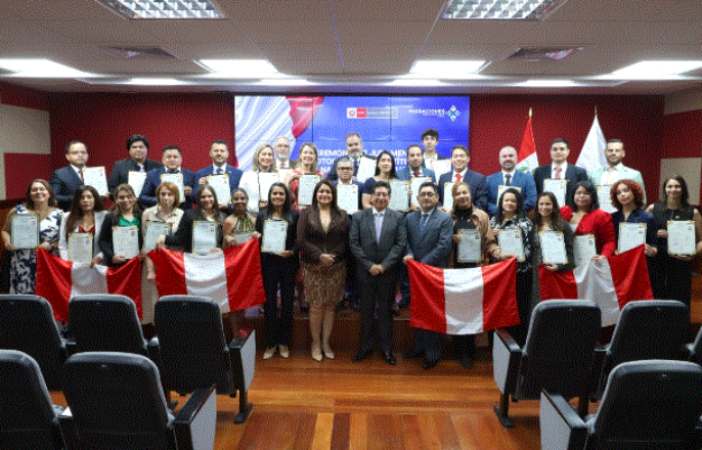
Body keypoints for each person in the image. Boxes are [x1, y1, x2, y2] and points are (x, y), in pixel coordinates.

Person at [350, 181, 406, 365]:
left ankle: (387, 349)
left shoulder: (398, 217)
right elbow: (354, 244)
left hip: (387, 273)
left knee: (385, 312)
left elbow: (400, 244)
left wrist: (383, 266)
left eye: (385, 194)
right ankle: (364, 347)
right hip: (365, 272)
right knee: (366, 311)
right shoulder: (358, 216)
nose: (381, 197)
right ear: (372, 197)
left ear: (389, 197)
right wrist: (369, 265)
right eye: (378, 194)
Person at [296, 180, 349, 362]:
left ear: (333, 195)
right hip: (313, 267)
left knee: (330, 306)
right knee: (316, 306)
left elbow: (346, 240)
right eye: (321, 191)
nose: (324, 194)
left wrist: (332, 256)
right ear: (315, 194)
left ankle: (326, 343)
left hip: (336, 267)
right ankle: (316, 343)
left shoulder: (342, 215)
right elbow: (301, 240)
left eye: (328, 192)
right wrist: (319, 256)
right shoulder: (306, 213)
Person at [403, 182, 453, 369]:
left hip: (433, 274)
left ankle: (433, 352)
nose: (426, 197)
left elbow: (444, 246)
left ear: (437, 198)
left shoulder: (444, 219)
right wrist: (409, 255)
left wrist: (421, 265)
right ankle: (419, 346)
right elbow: (404, 241)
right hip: (413, 274)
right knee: (417, 310)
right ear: (417, 198)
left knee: (431, 312)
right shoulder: (409, 218)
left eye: (430, 194)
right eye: (423, 194)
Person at [449, 182, 498, 368]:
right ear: (454, 197)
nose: (462, 196)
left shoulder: (482, 216)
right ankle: (458, 347)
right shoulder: (448, 217)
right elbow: (442, 242)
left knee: (471, 311)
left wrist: (500, 253)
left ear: (470, 195)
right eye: (458, 193)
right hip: (454, 270)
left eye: (465, 192)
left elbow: (490, 242)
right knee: (457, 310)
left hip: (475, 271)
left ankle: (469, 350)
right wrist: (451, 240)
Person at [255, 183, 298, 360]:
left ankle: (284, 342)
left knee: (287, 303)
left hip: (288, 262)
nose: (278, 196)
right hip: (268, 263)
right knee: (270, 304)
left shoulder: (294, 215)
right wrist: (257, 237)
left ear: (286, 196)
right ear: (270, 196)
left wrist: (292, 251)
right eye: (275, 193)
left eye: (281, 194)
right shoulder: (262, 214)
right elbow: (257, 238)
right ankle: (271, 343)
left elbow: (298, 239)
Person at [646, 175, 702, 306]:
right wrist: (653, 237)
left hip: (680, 262)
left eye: (677, 186)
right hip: (656, 260)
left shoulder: (693, 212)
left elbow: (701, 241)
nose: (673, 189)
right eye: (670, 186)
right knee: (656, 297)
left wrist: (692, 253)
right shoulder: (653, 208)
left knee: (679, 298)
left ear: (683, 189)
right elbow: (642, 233)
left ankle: (678, 320)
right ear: (665, 189)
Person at [1, 179, 63, 294]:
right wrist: (7, 242)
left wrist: (51, 245)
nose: (38, 192)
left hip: (48, 264)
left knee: (47, 297)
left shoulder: (60, 215)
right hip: (22, 265)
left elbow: (64, 239)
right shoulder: (18, 211)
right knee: (23, 300)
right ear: (30, 194)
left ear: (49, 193)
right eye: (34, 190)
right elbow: (5, 230)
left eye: (42, 189)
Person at [490, 188, 534, 345]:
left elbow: (529, 249)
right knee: (499, 308)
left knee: (519, 309)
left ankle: (518, 344)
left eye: (513, 201)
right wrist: (493, 238)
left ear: (518, 204)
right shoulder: (493, 221)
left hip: (520, 273)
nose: (509, 203)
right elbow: (488, 245)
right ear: (501, 202)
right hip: (499, 274)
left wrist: (515, 258)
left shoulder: (526, 223)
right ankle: (498, 344)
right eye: (506, 200)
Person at [531, 192, 574, 306]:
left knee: (555, 305)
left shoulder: (563, 226)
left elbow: (570, 253)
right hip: (537, 274)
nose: (544, 207)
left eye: (548, 204)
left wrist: (559, 266)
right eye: (541, 204)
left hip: (556, 274)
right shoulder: (533, 225)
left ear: (554, 206)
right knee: (538, 304)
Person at [161, 184, 225, 253]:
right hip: (193, 257)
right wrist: (164, 238)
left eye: (210, 196)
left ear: (214, 198)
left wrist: (221, 248)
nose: (207, 199)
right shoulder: (189, 215)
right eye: (203, 197)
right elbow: (180, 239)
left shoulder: (223, 217)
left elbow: (224, 241)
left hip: (215, 256)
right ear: (198, 199)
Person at [560, 181, 616, 258]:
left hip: (591, 259)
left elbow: (609, 241)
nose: (581, 196)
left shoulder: (601, 216)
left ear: (593, 196)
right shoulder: (564, 211)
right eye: (578, 193)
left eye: (586, 193)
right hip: (566, 260)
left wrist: (604, 255)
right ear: (573, 195)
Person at [58, 185, 106, 266]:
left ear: (95, 199)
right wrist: (68, 264)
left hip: (99, 266)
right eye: (82, 198)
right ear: (77, 201)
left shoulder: (104, 216)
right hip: (75, 266)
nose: (85, 200)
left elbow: (109, 243)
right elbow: (63, 245)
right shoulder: (67, 217)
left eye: (89, 197)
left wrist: (100, 257)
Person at [533, 138, 588, 207]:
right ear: (550, 152)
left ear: (568, 151)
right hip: (545, 210)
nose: (558, 152)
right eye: (555, 149)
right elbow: (536, 194)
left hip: (571, 211)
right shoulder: (539, 172)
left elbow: (584, 195)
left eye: (562, 149)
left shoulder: (579, 172)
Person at [97, 184, 142, 268]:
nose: (126, 200)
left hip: (138, 263)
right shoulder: (110, 217)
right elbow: (102, 241)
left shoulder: (142, 216)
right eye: (121, 197)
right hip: (117, 265)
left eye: (129, 196)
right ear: (116, 200)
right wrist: (112, 256)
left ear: (135, 198)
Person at [589, 139, 646, 203]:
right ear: (605, 153)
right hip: (599, 209)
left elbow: (642, 200)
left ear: (623, 153)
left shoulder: (634, 175)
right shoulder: (593, 174)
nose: (613, 153)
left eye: (617, 150)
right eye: (610, 150)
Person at [140, 145, 196, 210]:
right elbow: (142, 197)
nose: (172, 159)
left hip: (184, 213)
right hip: (160, 212)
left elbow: (197, 198)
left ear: (181, 159)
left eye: (175, 157)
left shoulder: (190, 175)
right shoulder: (152, 175)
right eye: (168, 157)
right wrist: (161, 200)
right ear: (163, 160)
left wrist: (191, 193)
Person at [486, 145, 537, 216]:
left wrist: (513, 210)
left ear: (516, 158)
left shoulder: (527, 178)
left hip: (520, 218)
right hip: (495, 218)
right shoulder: (489, 179)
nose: (508, 158)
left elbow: (532, 200)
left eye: (511, 156)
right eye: (504, 156)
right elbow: (485, 201)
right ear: (499, 159)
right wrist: (500, 211)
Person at [194, 140, 243, 209]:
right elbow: (194, 199)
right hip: (208, 212)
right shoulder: (200, 173)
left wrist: (229, 206)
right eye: (216, 151)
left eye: (222, 151)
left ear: (227, 154)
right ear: (210, 153)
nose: (219, 153)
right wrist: (200, 187)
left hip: (231, 213)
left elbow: (242, 198)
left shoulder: (239, 174)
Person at [437, 145, 488, 211]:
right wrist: (441, 210)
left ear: (468, 159)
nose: (458, 159)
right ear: (451, 159)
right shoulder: (443, 178)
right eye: (455, 156)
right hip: (446, 215)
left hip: (469, 216)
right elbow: (438, 200)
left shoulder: (479, 179)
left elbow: (481, 204)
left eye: (462, 156)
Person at [50, 140, 92, 211]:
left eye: (83, 152)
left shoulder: (95, 173)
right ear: (67, 156)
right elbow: (53, 196)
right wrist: (76, 198)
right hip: (70, 213)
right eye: (75, 153)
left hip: (94, 214)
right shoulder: (60, 174)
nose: (80, 155)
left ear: (87, 155)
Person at [239, 144, 279, 215]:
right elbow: (240, 197)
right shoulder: (247, 175)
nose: (267, 157)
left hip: (271, 216)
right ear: (257, 157)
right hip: (250, 215)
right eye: (264, 154)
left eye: (270, 155)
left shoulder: (277, 177)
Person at [288, 142, 322, 210]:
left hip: (314, 211)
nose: (308, 155)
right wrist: (290, 181)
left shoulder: (319, 175)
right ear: (300, 155)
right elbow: (285, 194)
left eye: (311, 153)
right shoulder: (291, 173)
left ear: (315, 157)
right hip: (296, 211)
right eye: (305, 152)